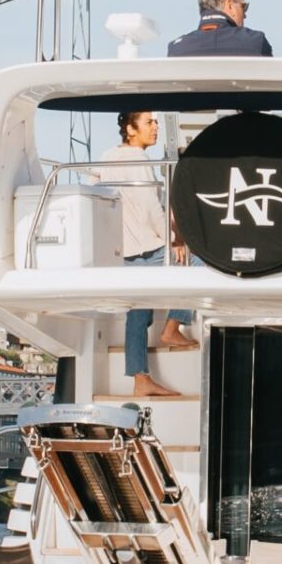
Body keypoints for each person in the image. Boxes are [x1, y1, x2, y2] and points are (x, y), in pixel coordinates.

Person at [95, 111, 196, 398]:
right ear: (130, 129)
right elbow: (152, 210)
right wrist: (174, 240)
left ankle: (141, 379)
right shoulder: (139, 161)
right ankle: (173, 327)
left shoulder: (107, 157)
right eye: (149, 123)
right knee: (196, 266)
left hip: (123, 251)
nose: (155, 128)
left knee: (137, 315)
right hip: (149, 247)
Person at [166, 0, 273, 57]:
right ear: (230, 5)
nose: (245, 15)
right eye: (243, 7)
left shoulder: (177, 49)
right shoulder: (255, 41)